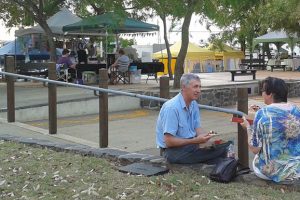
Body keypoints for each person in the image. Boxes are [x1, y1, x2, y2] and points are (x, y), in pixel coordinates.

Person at [156, 73, 229, 164]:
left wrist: (207, 138)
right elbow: (169, 141)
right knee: (222, 152)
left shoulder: (193, 104)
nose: (198, 90)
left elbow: (197, 128)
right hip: (172, 151)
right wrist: (195, 140)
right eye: (195, 87)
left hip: (190, 146)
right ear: (183, 87)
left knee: (224, 147)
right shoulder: (172, 108)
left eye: (199, 87)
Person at [240, 77, 300, 183]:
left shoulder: (262, 114)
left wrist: (248, 128)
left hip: (274, 171)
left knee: (257, 158)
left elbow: (254, 149)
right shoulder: (296, 110)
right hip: (296, 168)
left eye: (262, 91)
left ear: (270, 94)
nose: (262, 93)